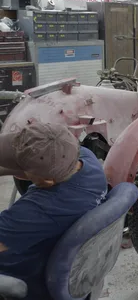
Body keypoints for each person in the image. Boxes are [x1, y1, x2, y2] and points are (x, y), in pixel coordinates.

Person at [0, 122, 108, 300]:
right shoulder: (86, 159)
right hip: (61, 260)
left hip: (25, 276)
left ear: (48, 181)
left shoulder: (37, 210)